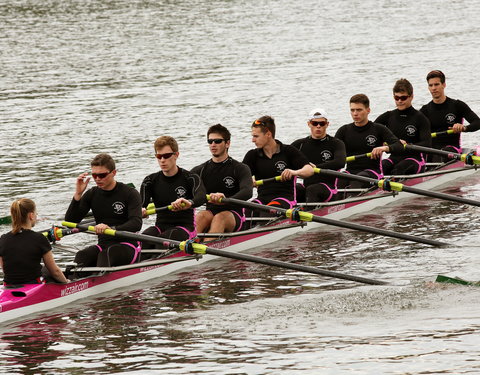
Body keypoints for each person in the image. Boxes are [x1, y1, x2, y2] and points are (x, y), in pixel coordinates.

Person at [65, 153, 143, 267]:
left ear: (113, 173)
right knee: (82, 255)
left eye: (102, 175)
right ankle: (73, 283)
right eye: (94, 175)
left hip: (128, 244)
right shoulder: (91, 194)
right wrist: (78, 194)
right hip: (103, 244)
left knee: (106, 255)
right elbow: (70, 222)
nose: (97, 179)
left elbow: (136, 223)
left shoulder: (130, 193)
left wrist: (110, 229)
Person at [140, 136, 206, 248]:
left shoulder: (190, 178)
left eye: (166, 156)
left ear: (176, 155)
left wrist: (189, 202)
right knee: (142, 241)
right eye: (159, 156)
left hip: (185, 228)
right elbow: (140, 205)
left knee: (162, 241)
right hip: (160, 227)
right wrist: (140, 211)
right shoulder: (149, 181)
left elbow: (202, 197)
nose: (162, 160)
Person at [191, 124, 252, 239]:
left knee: (220, 218)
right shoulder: (200, 170)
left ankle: (206, 251)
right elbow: (181, 188)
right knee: (200, 216)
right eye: (210, 141)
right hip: (210, 213)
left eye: (217, 141)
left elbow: (247, 191)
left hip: (233, 215)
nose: (213, 145)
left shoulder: (240, 168)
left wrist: (226, 200)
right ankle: (189, 248)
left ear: (227, 143)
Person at [242, 115, 314, 209]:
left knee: (269, 210)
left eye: (256, 136)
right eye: (253, 136)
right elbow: (239, 178)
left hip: (285, 199)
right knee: (247, 210)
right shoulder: (252, 155)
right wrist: (247, 181)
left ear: (268, 134)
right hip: (262, 199)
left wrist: (294, 172)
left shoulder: (288, 151)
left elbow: (309, 170)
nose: (253, 140)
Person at [335, 94, 403, 188]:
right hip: (351, 171)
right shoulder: (343, 130)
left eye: (359, 110)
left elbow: (398, 145)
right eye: (352, 110)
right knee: (338, 180)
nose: (355, 113)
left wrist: (384, 148)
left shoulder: (378, 129)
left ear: (368, 110)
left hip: (373, 172)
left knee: (358, 180)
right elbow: (331, 152)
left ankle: (351, 200)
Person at [0, 198, 68, 285]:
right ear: (31, 215)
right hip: (34, 285)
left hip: (8, 285)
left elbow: (5, 270)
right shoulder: (39, 238)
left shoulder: (3, 239)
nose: (36, 216)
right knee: (48, 270)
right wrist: (67, 283)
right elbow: (55, 272)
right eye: (36, 213)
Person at [375, 78, 431, 175]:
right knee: (380, 168)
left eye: (403, 98)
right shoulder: (388, 116)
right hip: (393, 158)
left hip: (415, 159)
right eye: (396, 98)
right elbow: (372, 131)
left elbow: (427, 144)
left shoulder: (420, 118)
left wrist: (407, 145)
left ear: (411, 97)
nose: (399, 101)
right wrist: (384, 143)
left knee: (399, 169)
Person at [420, 70, 480, 157]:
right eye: (430, 85)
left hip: (452, 148)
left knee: (444, 153)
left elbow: (477, 122)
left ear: (444, 85)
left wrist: (464, 128)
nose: (433, 88)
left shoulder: (457, 105)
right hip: (432, 149)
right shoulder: (424, 110)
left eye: (436, 84)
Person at [291, 108, 346, 202]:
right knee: (294, 187)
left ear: (327, 124)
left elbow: (340, 162)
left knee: (312, 189)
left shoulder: (336, 143)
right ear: (309, 124)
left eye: (322, 123)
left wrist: (315, 168)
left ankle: (308, 213)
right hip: (307, 187)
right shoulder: (299, 145)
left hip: (329, 189)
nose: (318, 126)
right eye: (315, 123)